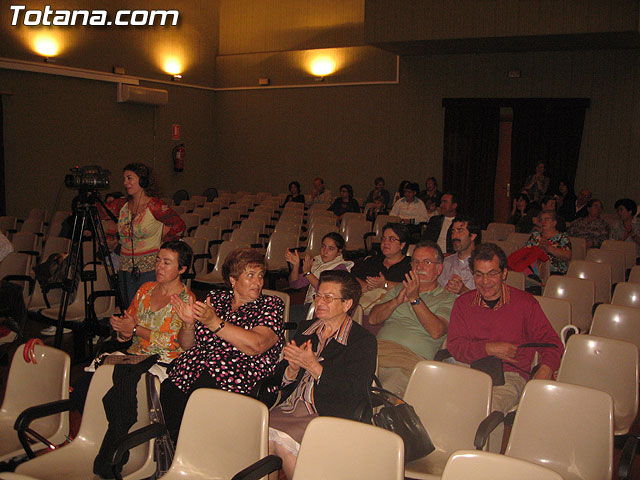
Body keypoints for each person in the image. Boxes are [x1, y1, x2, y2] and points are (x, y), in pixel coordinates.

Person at [447, 243, 563, 452]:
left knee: (485, 413)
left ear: (504, 273)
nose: (485, 282)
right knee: (445, 406)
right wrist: (489, 348)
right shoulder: (463, 304)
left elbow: (552, 343)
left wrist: (545, 369)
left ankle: (483, 468)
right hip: (469, 371)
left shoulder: (525, 303)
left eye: (492, 274)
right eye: (479, 275)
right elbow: (455, 347)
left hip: (509, 375)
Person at [161, 248, 284, 443]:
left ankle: (194, 454)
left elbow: (257, 345)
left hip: (240, 373)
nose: (258, 282)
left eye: (260, 276)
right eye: (250, 275)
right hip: (196, 368)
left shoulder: (270, 305)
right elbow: (188, 346)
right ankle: (175, 451)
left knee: (200, 398)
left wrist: (214, 322)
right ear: (233, 280)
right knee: (169, 389)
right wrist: (188, 324)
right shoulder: (216, 299)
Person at [268, 270, 376, 479]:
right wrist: (293, 368)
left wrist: (315, 367)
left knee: (281, 442)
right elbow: (285, 378)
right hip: (291, 407)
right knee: (258, 435)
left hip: (325, 413)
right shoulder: (307, 328)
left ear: (347, 304)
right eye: (318, 296)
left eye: (328, 297)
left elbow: (354, 392)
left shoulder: (361, 341)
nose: (320, 302)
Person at [70, 240, 195, 412]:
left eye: (167, 263)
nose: (159, 266)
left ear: (182, 269)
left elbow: (175, 343)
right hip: (135, 354)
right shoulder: (146, 290)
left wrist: (135, 329)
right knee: (90, 382)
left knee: (112, 388)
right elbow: (128, 328)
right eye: (158, 260)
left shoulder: (187, 300)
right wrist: (123, 331)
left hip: (163, 362)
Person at [369, 241, 456, 396]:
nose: (419, 267)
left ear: (439, 268)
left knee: (382, 394)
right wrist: (397, 301)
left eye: (426, 262)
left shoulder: (448, 298)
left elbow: (437, 331)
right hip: (376, 351)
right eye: (415, 261)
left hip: (407, 362)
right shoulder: (397, 289)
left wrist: (415, 299)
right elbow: (373, 319)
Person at [102, 163, 185, 308]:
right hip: (126, 268)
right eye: (124, 179)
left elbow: (179, 226)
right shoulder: (122, 204)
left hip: (149, 270)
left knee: (146, 309)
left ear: (143, 180)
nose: (125, 183)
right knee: (129, 308)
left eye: (129, 178)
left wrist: (164, 242)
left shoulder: (155, 206)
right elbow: (100, 211)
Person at [284, 232, 353, 324]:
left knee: (288, 320)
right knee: (281, 312)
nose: (325, 251)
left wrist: (308, 273)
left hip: (324, 310)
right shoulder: (318, 262)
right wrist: (296, 266)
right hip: (309, 306)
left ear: (339, 252)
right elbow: (294, 284)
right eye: (323, 246)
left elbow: (324, 290)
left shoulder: (340, 268)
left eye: (331, 249)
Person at [351, 223, 412, 294]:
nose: (385, 242)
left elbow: (412, 288)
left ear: (402, 244)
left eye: (391, 239)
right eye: (383, 239)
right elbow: (353, 276)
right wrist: (367, 287)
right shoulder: (373, 261)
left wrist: (384, 284)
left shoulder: (411, 264)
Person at [438, 217, 479, 294]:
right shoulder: (445, 263)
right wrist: (443, 292)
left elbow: (489, 301)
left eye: (460, 231)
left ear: (472, 236)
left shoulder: (483, 264)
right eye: (453, 232)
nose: (454, 236)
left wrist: (464, 291)